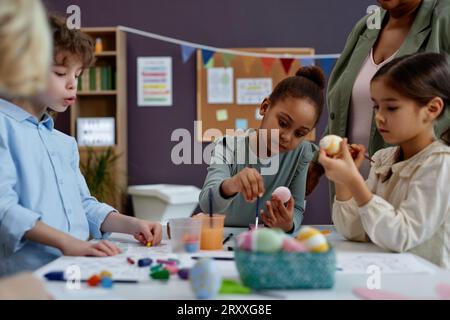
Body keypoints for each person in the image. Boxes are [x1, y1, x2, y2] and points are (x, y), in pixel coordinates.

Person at [0, 14, 163, 277]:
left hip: (74, 268)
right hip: (27, 279)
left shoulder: (64, 143)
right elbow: (4, 210)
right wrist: (68, 242)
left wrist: (133, 224)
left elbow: (84, 205)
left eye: (77, 74)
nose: (72, 84)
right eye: (60, 73)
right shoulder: (3, 126)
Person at [319, 53, 450, 268]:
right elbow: (355, 231)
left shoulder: (440, 164)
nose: (379, 116)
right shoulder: (383, 159)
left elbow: (401, 236)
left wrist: (355, 182)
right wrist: (343, 181)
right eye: (375, 107)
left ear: (432, 109)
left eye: (391, 107)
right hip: (393, 278)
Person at [307, 0, 450, 196]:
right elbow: (342, 112)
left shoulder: (445, 17)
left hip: (418, 192)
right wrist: (316, 165)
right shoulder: (366, 26)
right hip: (353, 195)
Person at [199, 67, 325, 235]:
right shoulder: (226, 145)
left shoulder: (301, 153)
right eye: (283, 123)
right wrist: (232, 184)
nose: (287, 137)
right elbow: (207, 204)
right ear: (265, 107)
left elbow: (298, 208)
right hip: (221, 238)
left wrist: (288, 224)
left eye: (299, 133)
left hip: (264, 242)